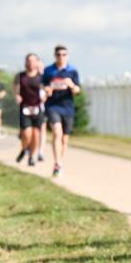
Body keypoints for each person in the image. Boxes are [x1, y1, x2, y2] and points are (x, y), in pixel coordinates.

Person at [42, 45, 81, 177]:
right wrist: (47, 90)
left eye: (64, 54)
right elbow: (43, 87)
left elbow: (77, 91)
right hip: (53, 106)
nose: (61, 57)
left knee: (64, 139)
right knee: (57, 133)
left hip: (67, 107)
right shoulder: (48, 71)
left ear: (67, 56)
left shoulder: (72, 71)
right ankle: (57, 162)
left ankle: (60, 162)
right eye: (58, 54)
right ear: (55, 56)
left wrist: (72, 85)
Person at [14, 53, 44, 166]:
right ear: (26, 62)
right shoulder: (20, 76)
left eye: (33, 60)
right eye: (29, 60)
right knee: (27, 135)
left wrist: (46, 95)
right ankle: (24, 149)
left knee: (36, 135)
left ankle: (31, 157)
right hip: (25, 108)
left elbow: (46, 90)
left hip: (37, 108)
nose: (31, 63)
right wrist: (16, 95)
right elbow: (15, 89)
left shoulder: (41, 77)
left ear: (37, 62)